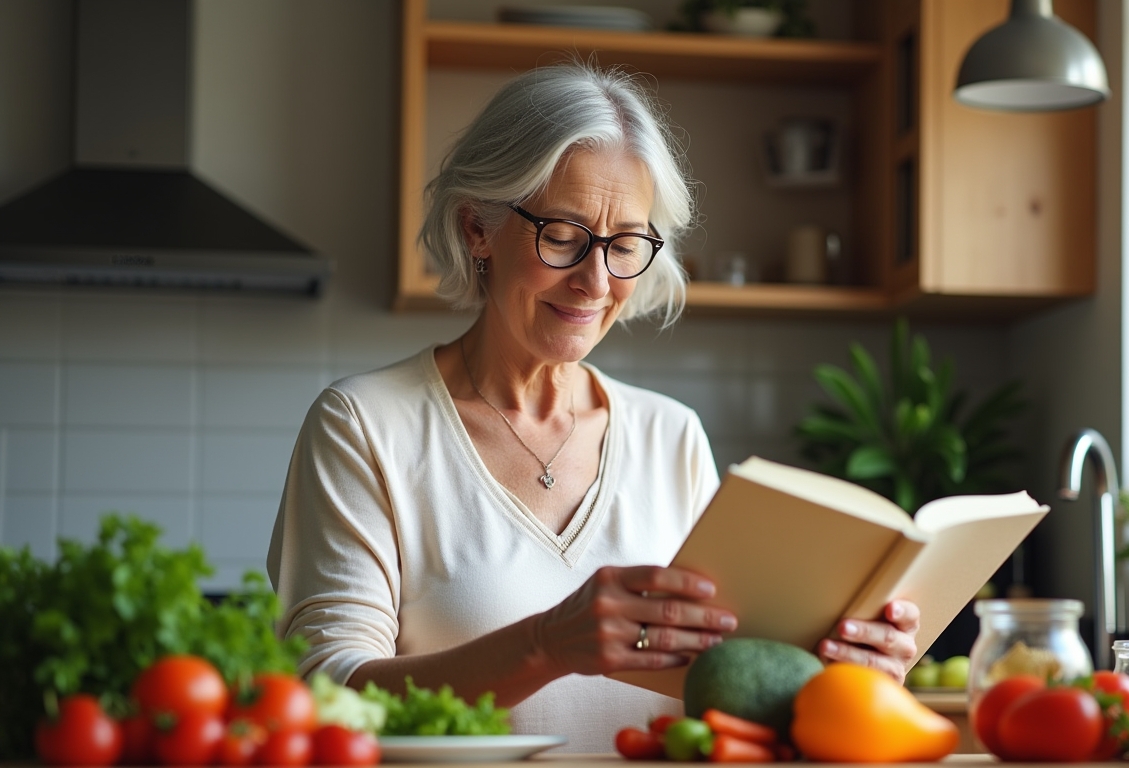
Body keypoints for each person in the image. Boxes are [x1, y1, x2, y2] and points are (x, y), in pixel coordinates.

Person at [267, 63, 919, 752]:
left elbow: (732, 694)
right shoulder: (364, 424)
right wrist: (545, 645)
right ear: (477, 227)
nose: (596, 280)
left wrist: (844, 674)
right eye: (562, 235)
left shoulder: (672, 436)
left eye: (625, 244)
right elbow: (326, 695)